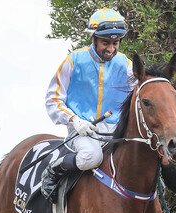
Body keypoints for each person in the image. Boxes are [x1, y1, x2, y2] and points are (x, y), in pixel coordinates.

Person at [42, 7, 135, 202]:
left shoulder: (125, 64)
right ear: (93, 38)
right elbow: (53, 99)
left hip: (115, 132)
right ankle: (55, 169)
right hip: (84, 132)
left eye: (116, 43)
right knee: (92, 157)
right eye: (105, 43)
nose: (111, 49)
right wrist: (74, 120)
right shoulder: (73, 61)